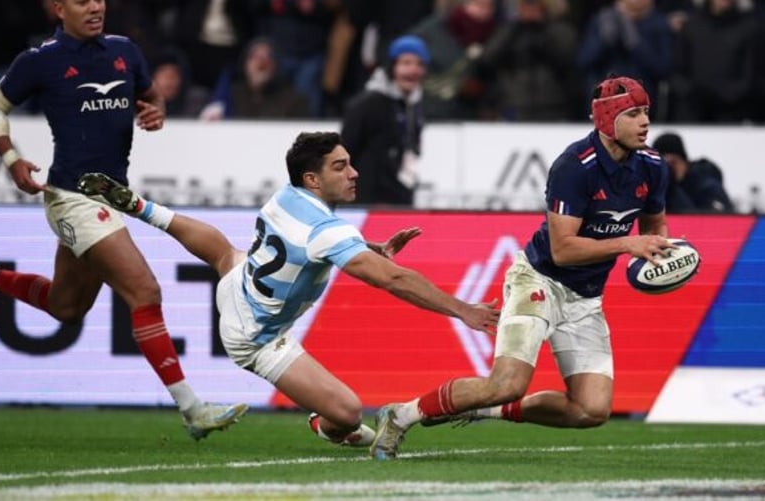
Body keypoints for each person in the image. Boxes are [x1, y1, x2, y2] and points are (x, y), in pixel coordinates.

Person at [0, 0, 246, 440]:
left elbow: (149, 94)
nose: (95, 7)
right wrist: (12, 159)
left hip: (109, 196)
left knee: (67, 306)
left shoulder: (125, 51)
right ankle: (192, 409)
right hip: (71, 196)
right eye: (82, 1)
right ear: (59, 10)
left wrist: (154, 109)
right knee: (145, 292)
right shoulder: (40, 61)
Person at [74, 131, 500, 448]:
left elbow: (314, 244)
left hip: (239, 281)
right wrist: (462, 309)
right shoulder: (325, 230)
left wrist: (368, 247)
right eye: (340, 167)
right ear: (312, 180)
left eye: (350, 162)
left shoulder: (286, 197)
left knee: (224, 252)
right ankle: (323, 424)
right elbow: (392, 279)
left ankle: (142, 207)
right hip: (255, 336)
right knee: (349, 414)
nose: (353, 173)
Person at [369, 75, 675, 460]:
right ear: (607, 120)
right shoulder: (574, 167)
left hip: (586, 298)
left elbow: (653, 226)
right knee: (507, 382)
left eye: (646, 111)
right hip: (539, 280)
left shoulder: (652, 166)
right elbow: (563, 250)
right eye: (633, 113)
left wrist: (662, 256)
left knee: (591, 410)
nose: (645, 121)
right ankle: (401, 415)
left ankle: (488, 409)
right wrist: (628, 243)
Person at [340, 35, 428, 207]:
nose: (413, 70)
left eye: (419, 64)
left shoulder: (414, 105)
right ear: (392, 66)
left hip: (399, 197)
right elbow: (344, 151)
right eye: (406, 63)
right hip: (366, 201)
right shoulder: (368, 104)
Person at [652, 132, 734, 213]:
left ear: (685, 163)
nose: (668, 170)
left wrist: (673, 190)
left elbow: (719, 220)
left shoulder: (706, 186)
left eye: (673, 163)